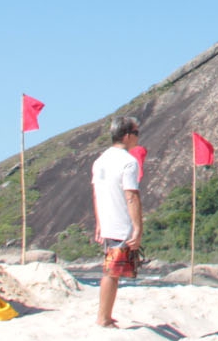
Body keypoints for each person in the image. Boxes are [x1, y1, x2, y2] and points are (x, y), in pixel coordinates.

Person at [93, 115, 144, 329]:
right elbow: (131, 195)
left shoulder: (101, 159)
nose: (138, 137)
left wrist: (98, 223)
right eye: (136, 133)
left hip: (107, 222)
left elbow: (96, 193)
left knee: (111, 271)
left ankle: (106, 315)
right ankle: (103, 318)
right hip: (121, 224)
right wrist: (138, 228)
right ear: (127, 135)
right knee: (111, 273)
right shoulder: (128, 161)